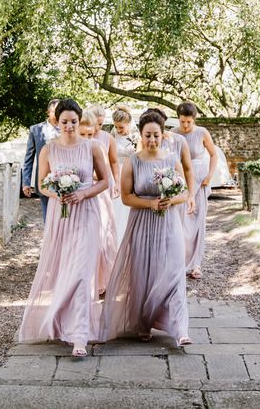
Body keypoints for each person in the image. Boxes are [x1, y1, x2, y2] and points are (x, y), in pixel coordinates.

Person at [18, 99, 109, 357]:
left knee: (82, 273)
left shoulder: (92, 148)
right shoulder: (48, 150)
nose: (69, 126)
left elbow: (105, 181)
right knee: (64, 270)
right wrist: (57, 193)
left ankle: (80, 336)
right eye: (65, 121)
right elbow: (42, 185)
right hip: (61, 215)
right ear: (57, 122)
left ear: (80, 122)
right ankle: (60, 320)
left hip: (87, 213)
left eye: (74, 121)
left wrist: (83, 194)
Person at [100, 111, 192, 347]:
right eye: (148, 135)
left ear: (163, 135)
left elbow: (184, 192)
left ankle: (180, 328)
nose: (152, 140)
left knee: (172, 272)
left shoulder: (172, 159)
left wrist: (171, 200)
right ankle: (143, 323)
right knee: (143, 273)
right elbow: (127, 198)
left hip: (169, 222)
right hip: (141, 222)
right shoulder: (133, 161)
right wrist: (150, 203)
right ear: (141, 135)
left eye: (156, 135)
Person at [175, 101, 218, 280]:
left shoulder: (202, 133)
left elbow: (214, 154)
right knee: (182, 222)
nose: (185, 126)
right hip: (181, 181)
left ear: (194, 120)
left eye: (188, 122)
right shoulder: (174, 134)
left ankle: (196, 264)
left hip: (199, 181)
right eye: (182, 121)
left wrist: (209, 175)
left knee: (198, 222)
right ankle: (180, 262)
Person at [79, 111, 117, 296]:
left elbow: (105, 174)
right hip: (80, 197)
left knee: (101, 239)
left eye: (90, 134)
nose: (87, 138)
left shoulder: (97, 147)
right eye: (82, 134)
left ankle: (102, 279)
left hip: (98, 196)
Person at [142, 107, 196, 216]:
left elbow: (188, 169)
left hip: (175, 197)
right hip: (149, 199)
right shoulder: (145, 140)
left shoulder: (179, 140)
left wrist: (191, 195)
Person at [22, 98, 60, 221]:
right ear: (48, 112)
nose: (57, 114)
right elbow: (29, 158)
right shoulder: (36, 130)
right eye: (54, 111)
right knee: (48, 219)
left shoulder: (68, 129)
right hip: (44, 180)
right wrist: (26, 182)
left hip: (65, 178)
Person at [110, 104, 138, 244]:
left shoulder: (136, 137)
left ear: (128, 124)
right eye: (116, 126)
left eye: (121, 127)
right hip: (116, 173)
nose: (118, 130)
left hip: (130, 172)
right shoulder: (113, 135)